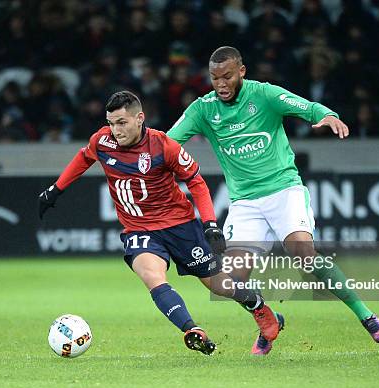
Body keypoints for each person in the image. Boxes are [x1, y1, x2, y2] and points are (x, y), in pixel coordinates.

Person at [167, 46, 379, 355]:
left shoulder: (264, 95)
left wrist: (327, 115)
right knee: (230, 280)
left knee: (304, 253)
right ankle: (268, 321)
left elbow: (305, 106)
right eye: (215, 78)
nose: (221, 84)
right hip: (245, 203)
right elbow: (167, 143)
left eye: (227, 76)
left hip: (284, 191)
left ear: (241, 72)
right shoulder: (203, 110)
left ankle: (366, 315)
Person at [38, 91, 284, 355]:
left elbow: (196, 182)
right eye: (111, 123)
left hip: (180, 226)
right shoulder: (102, 141)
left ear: (140, 118)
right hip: (139, 229)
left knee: (219, 285)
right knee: (152, 276)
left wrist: (210, 224)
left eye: (121, 122)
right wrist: (56, 189)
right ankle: (192, 329)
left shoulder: (162, 145)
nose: (115, 130)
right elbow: (84, 156)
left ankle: (259, 307)